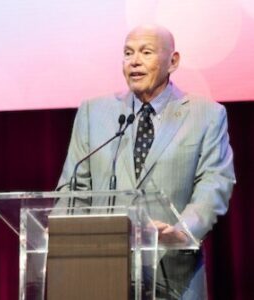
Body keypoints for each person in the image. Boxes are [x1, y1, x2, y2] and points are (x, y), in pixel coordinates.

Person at [57, 25, 236, 299]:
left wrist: (181, 232)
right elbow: (74, 189)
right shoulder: (93, 112)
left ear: (173, 61)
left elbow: (214, 184)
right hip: (102, 274)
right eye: (128, 53)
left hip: (175, 275)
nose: (134, 61)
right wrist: (65, 238)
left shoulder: (207, 115)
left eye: (146, 52)